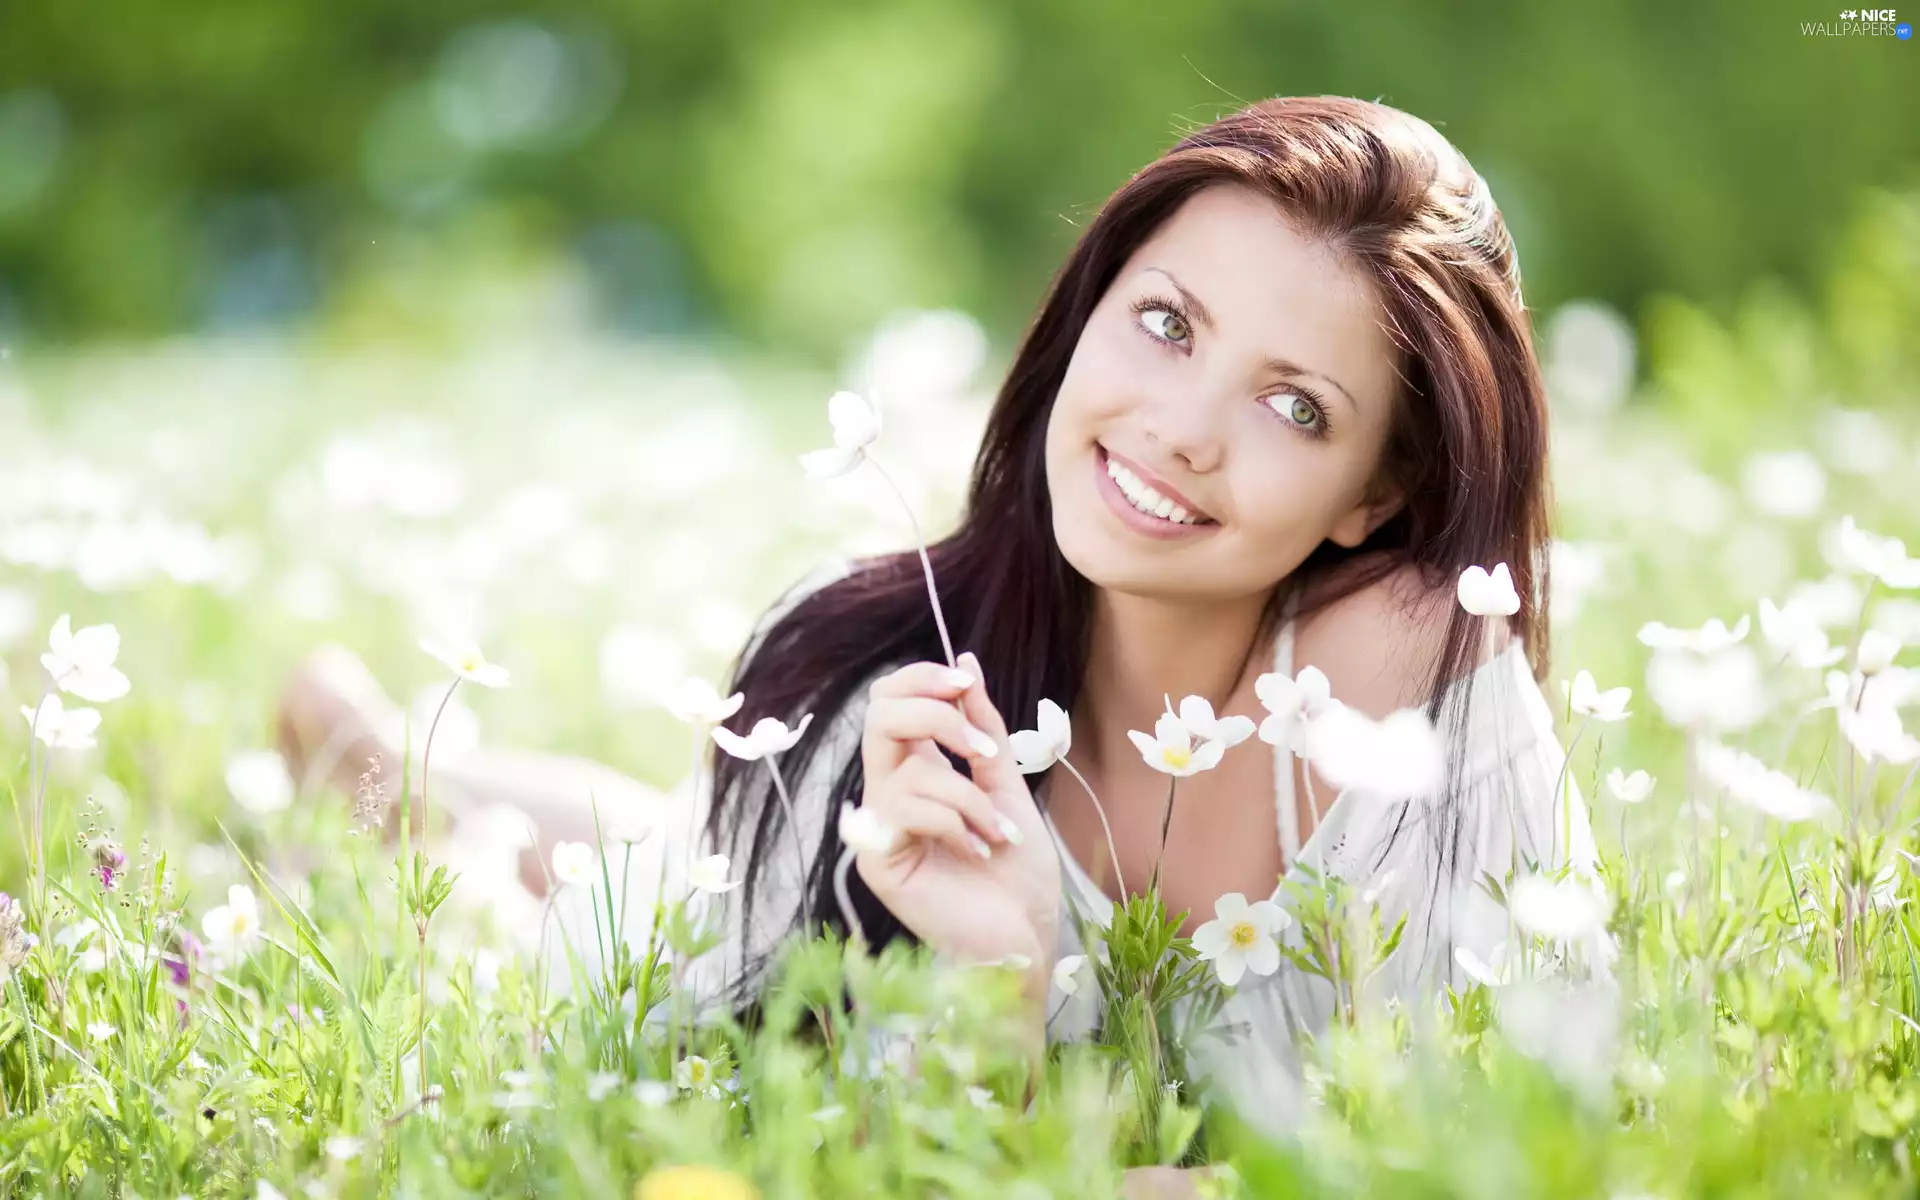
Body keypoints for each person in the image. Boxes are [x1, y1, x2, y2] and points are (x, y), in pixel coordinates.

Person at [277, 95, 1602, 1165]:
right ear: (1089, 308)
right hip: (714, 913)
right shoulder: (885, 689)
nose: (1182, 428)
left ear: (1380, 494)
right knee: (606, 886)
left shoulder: (1415, 682)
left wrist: (1021, 989)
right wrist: (1005, 1035)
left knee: (627, 838)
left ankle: (396, 764)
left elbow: (1548, 1137)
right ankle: (384, 765)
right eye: (1165, 324)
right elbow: (835, 1157)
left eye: (1295, 407)